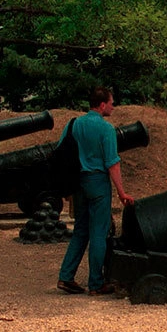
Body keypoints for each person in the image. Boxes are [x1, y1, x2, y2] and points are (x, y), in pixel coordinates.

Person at [56, 87, 135, 295]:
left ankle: (66, 276)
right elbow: (112, 164)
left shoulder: (74, 124)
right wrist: (121, 192)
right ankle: (96, 283)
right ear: (102, 105)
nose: (113, 106)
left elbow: (62, 151)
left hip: (78, 183)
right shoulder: (106, 129)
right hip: (97, 181)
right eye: (111, 103)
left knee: (81, 230)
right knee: (99, 232)